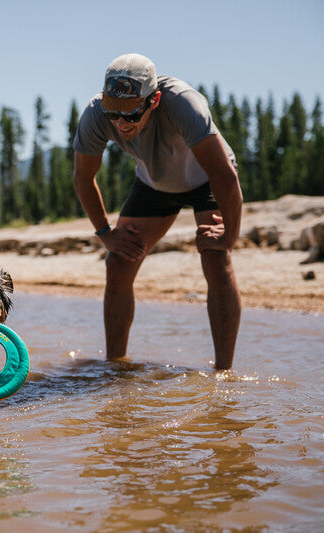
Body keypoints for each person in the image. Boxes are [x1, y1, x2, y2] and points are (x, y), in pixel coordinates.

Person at [72, 53, 242, 370]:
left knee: (216, 258)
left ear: (154, 100)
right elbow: (83, 177)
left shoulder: (183, 103)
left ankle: (223, 374)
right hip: (155, 183)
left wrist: (229, 236)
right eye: (113, 113)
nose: (120, 123)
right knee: (118, 262)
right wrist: (106, 234)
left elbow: (224, 174)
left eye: (131, 113)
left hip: (207, 177)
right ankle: (116, 368)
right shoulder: (97, 113)